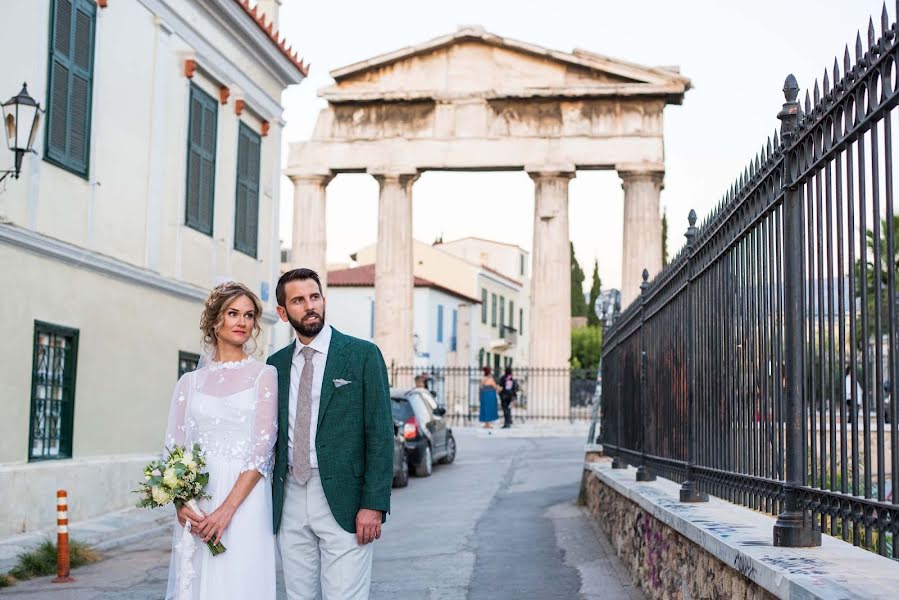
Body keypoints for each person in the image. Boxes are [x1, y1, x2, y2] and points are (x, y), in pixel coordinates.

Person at [267, 268, 394, 599]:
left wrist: (374, 503)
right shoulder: (275, 365)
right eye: (298, 300)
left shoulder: (362, 355)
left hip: (345, 499)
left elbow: (380, 435)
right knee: (298, 595)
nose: (310, 306)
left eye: (315, 297)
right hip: (290, 496)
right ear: (283, 313)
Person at [165, 282, 278, 599]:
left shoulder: (264, 375)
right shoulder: (189, 382)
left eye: (249, 315)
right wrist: (180, 503)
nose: (243, 321)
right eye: (233, 313)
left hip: (245, 499)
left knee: (241, 580)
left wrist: (226, 511)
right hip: (199, 498)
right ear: (215, 321)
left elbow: (262, 452)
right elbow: (174, 451)